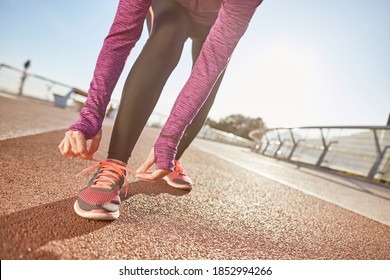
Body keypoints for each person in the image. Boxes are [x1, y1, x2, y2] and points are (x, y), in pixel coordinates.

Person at [58, 0, 263, 220]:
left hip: (216, 20)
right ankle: (115, 163)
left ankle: (172, 158)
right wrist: (91, 113)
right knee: (168, 34)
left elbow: (209, 65)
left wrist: (169, 138)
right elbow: (121, 38)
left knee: (212, 80)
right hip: (170, 5)